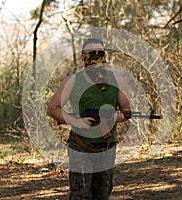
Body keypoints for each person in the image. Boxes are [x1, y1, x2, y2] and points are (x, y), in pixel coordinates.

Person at [47, 38, 131, 200]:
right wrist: (76, 121)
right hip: (80, 145)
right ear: (82, 56)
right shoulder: (73, 81)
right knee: (80, 192)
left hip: (107, 145)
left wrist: (117, 117)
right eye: (92, 53)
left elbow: (126, 111)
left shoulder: (117, 80)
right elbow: (52, 109)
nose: (97, 56)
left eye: (100, 53)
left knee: (103, 193)